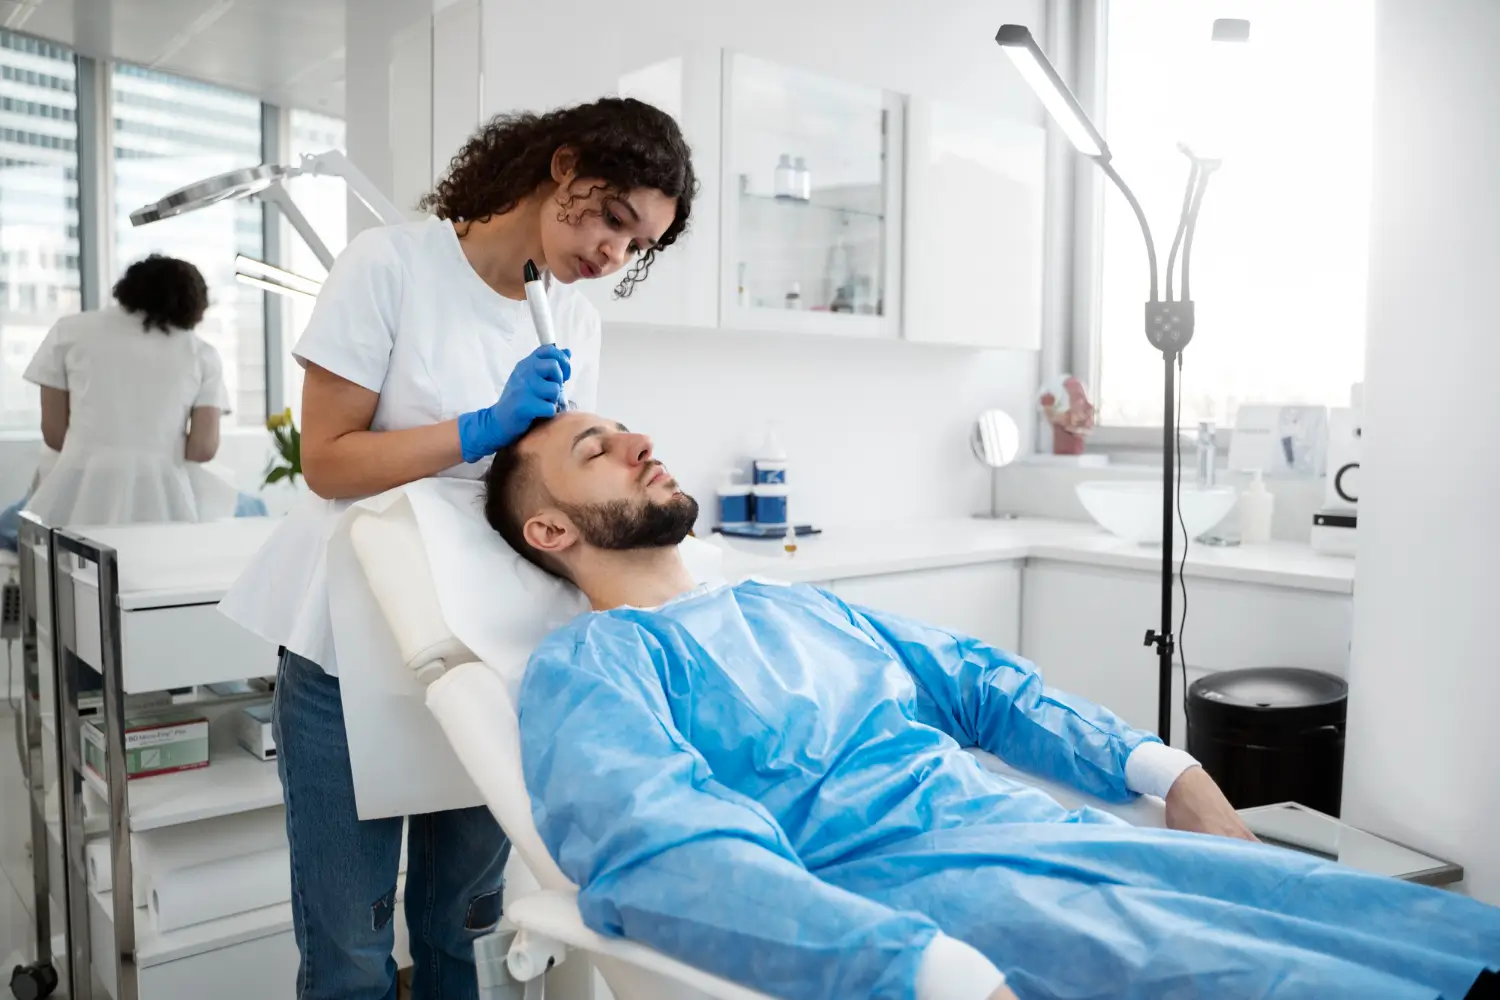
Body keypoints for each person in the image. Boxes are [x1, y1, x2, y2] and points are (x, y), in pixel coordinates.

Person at [483, 409, 1500, 1000]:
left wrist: (1166, 771)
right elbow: (668, 856)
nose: (636, 442)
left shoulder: (794, 606)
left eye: (623, 430)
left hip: (1049, 836)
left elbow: (978, 680)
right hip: (923, 897)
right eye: (594, 452)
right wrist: (914, 964)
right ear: (550, 533)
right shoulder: (595, 668)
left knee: (1366, 913)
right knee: (1265, 978)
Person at [218, 97, 696, 1000]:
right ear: (563, 169)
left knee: (465, 927)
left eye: (638, 248)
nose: (613, 255)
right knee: (352, 942)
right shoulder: (390, 265)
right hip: (347, 636)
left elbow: (551, 493)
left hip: (485, 638)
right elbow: (327, 461)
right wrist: (476, 429)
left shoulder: (573, 320)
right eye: (614, 219)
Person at [20, 254, 237, 526]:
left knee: (69, 565)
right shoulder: (201, 354)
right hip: (162, 501)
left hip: (75, 496)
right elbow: (203, 448)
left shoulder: (69, 332)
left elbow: (54, 434)